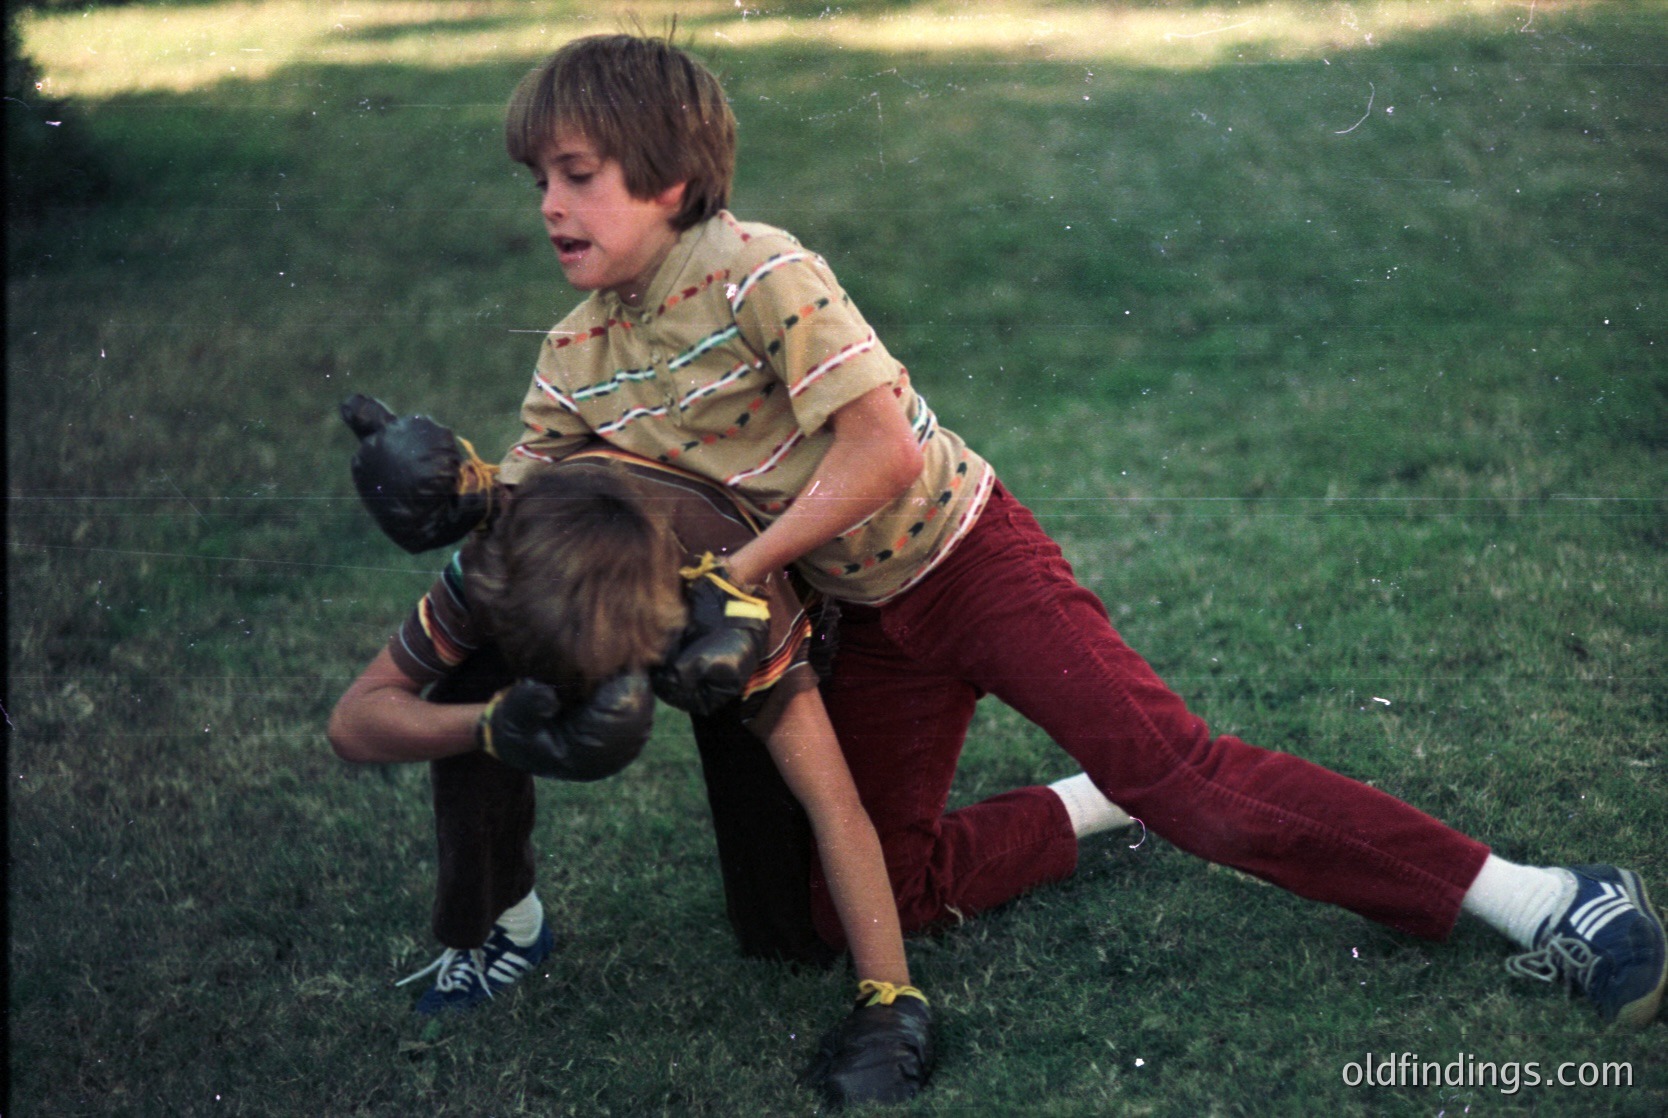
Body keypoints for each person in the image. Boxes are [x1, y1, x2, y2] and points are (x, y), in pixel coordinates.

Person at [463, 31, 1666, 1032]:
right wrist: (459, 499)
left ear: (668, 181)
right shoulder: (577, 355)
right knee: (860, 903)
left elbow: (879, 452)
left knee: (1194, 784)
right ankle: (1097, 802)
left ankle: (1549, 896)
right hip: (864, 624)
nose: (549, 205)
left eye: (575, 174)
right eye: (539, 182)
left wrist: (739, 571)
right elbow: (521, 515)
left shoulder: (758, 270)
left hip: (968, 557)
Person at [328, 443, 934, 1106]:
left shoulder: (733, 591)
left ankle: (1065, 806)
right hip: (604, 583)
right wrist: (490, 724)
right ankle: (509, 920)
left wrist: (888, 1002)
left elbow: (836, 806)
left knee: (789, 932)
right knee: (459, 683)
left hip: (714, 608)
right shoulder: (495, 562)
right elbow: (353, 721)